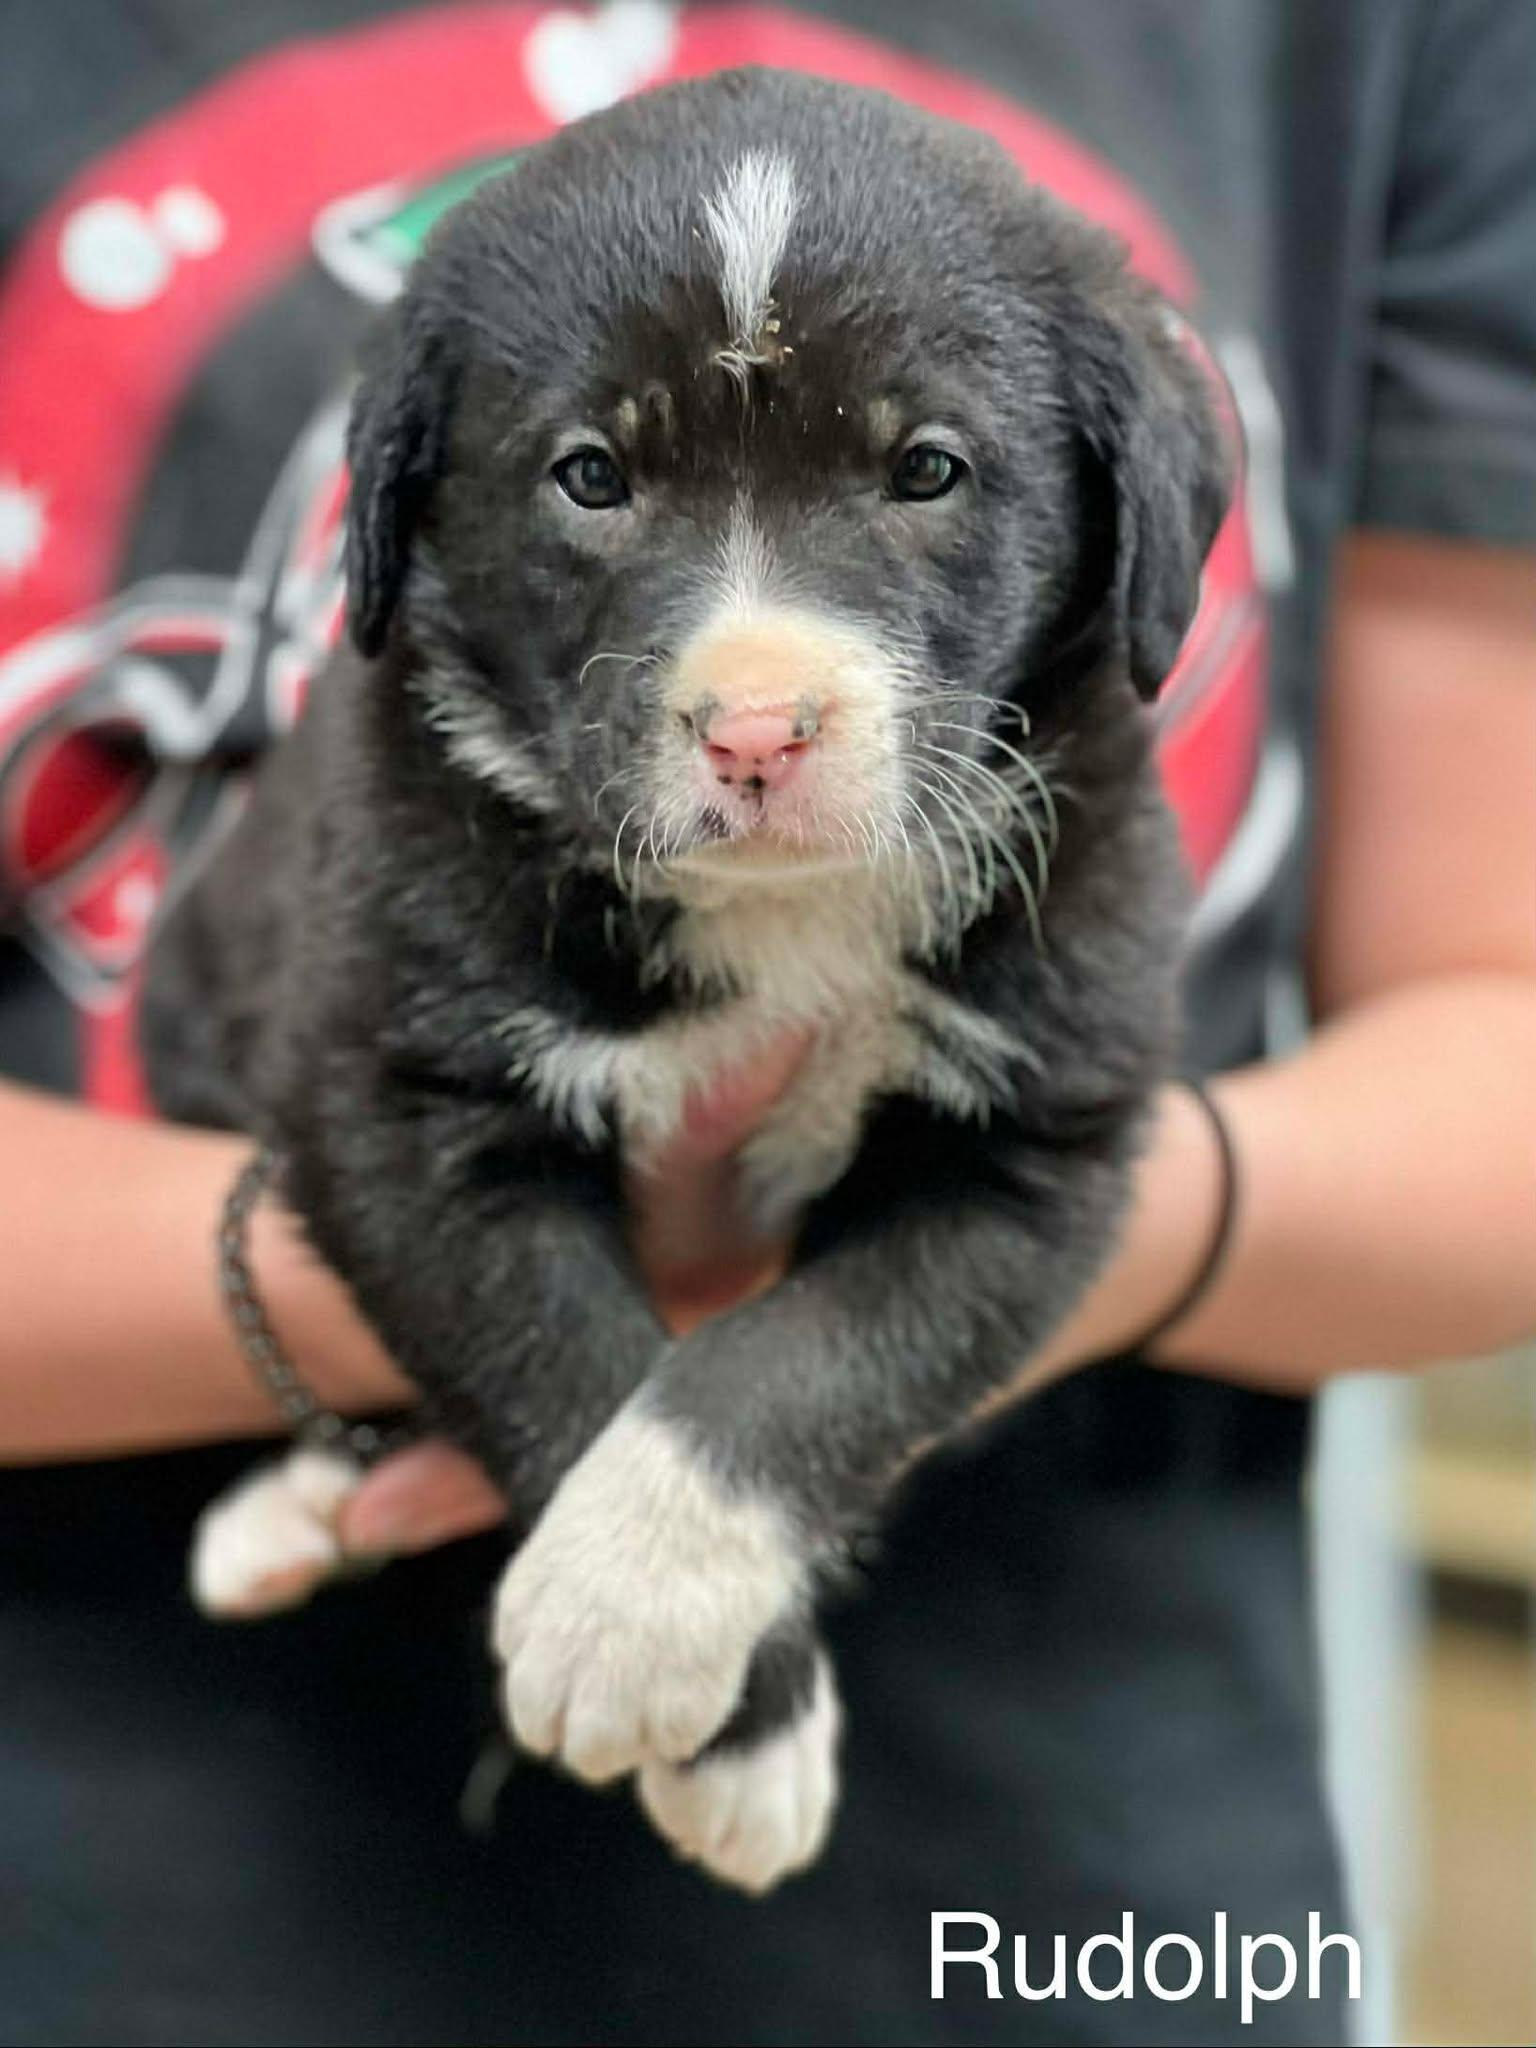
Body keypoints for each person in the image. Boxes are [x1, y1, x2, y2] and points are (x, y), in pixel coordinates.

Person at [2, 2, 1532, 2041]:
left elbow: (1401, 1067)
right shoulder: (429, 820)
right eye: (588, 478)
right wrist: (369, 1346)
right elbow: (386, 1119)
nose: (753, 684)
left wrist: (741, 1463)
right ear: (403, 518)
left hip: (1073, 1900)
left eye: (919, 471)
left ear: (1126, 520)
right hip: (146, 1872)